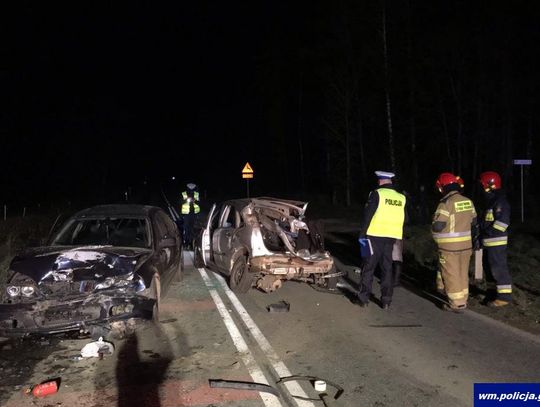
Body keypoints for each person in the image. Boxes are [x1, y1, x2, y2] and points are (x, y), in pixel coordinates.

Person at [357, 171, 406, 310]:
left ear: (381, 181)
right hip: (391, 238)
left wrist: (361, 234)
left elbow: (368, 215)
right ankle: (386, 300)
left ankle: (363, 298)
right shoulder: (401, 197)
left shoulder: (376, 194)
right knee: (387, 268)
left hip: (373, 236)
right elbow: (405, 218)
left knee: (368, 267)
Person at [432, 173, 478, 312]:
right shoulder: (468, 201)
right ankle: (463, 298)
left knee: (451, 274)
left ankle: (457, 303)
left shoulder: (445, 203)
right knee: (462, 273)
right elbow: (474, 223)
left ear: (442, 187)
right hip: (466, 246)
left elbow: (438, 226)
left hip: (449, 247)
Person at [479, 171, 512, 307]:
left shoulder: (500, 202)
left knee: (498, 269)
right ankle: (492, 293)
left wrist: (488, 232)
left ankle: (504, 297)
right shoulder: (491, 201)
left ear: (489, 185)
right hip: (488, 242)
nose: (481, 187)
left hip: (496, 242)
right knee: (489, 269)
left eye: (483, 184)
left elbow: (502, 223)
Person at [180, 183, 200, 249]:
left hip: (194, 214)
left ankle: (191, 243)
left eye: (193, 188)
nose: (191, 190)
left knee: (192, 229)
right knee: (186, 228)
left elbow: (199, 202)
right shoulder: (184, 194)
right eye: (190, 188)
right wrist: (186, 200)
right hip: (186, 214)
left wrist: (195, 200)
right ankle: (186, 242)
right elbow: (180, 202)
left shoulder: (196, 194)